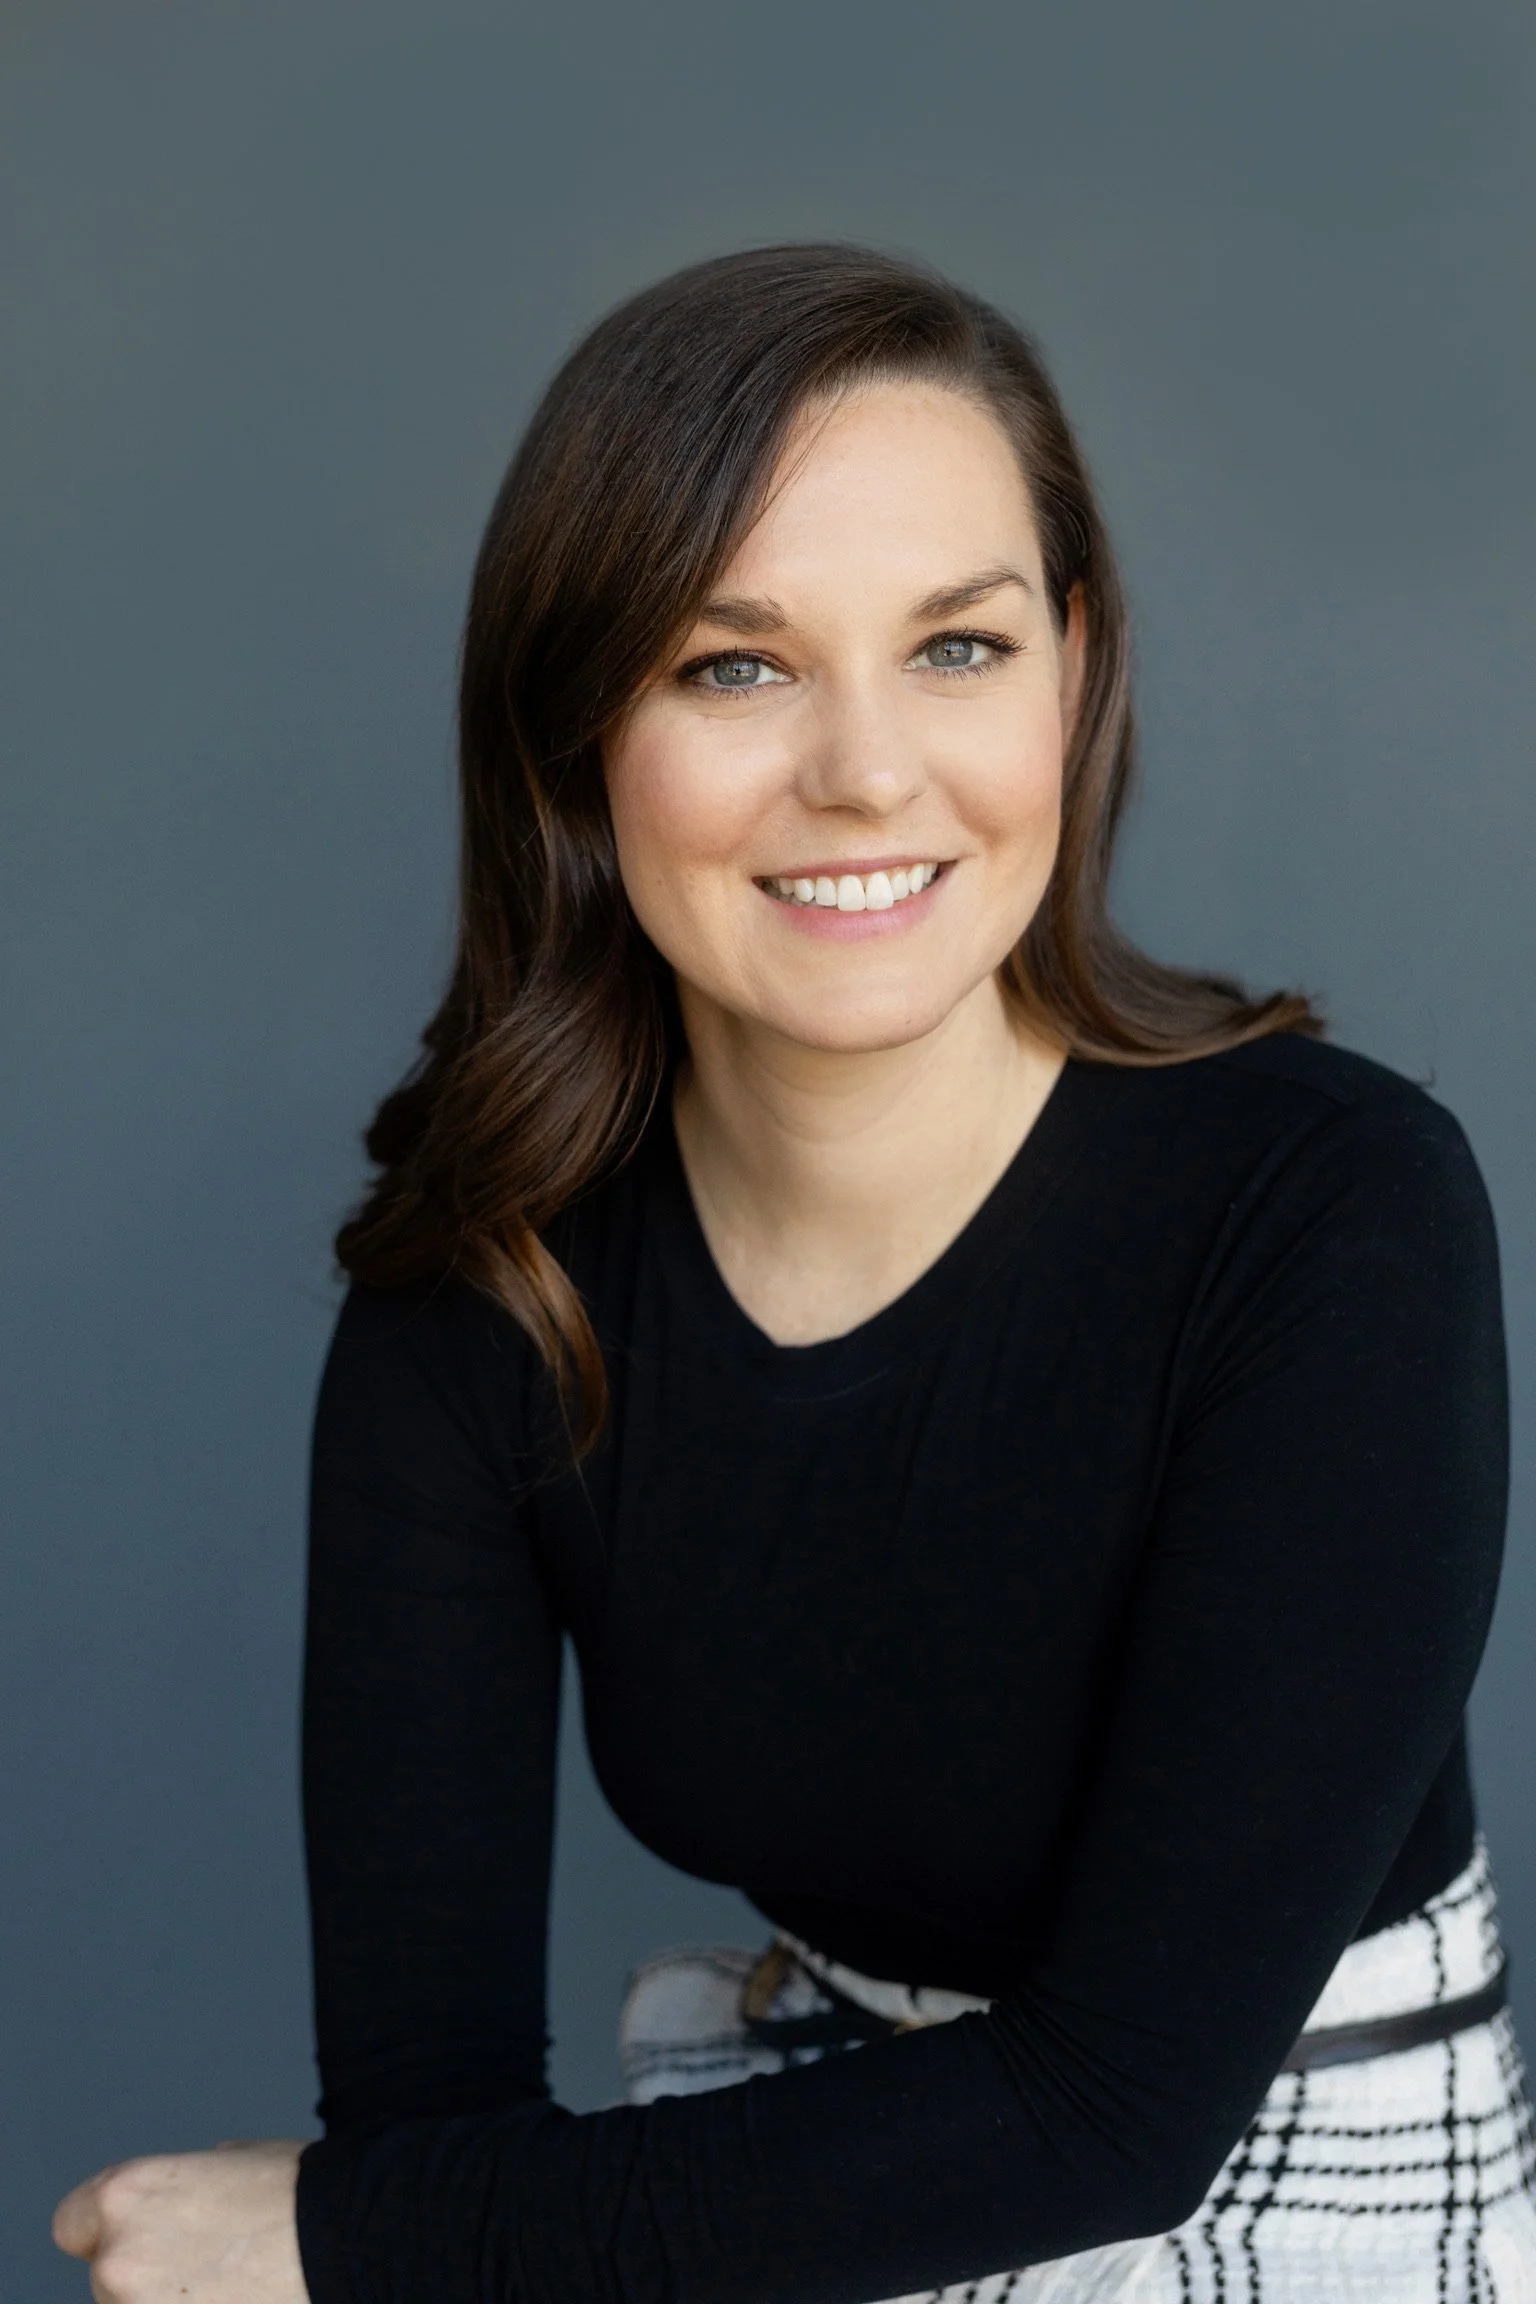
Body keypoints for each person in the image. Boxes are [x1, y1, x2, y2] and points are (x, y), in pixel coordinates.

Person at [53, 244, 1536, 2304]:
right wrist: (377, 2229)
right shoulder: (482, 1309)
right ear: (579, 731)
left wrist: (334, 2232)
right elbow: (433, 2116)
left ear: (1076, 671)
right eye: (732, 664)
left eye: (957, 647)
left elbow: (1118, 2113)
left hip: (1304, 2214)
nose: (862, 773)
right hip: (771, 2205)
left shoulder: (1329, 1209)